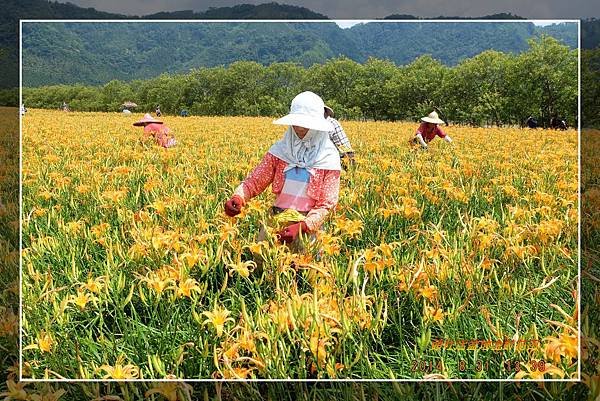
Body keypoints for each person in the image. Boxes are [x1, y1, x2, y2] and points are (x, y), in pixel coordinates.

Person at [223, 91, 341, 248]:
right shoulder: (280, 150)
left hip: (308, 228)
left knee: (303, 269)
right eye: (296, 122)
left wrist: (303, 227)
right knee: (264, 265)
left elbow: (327, 204)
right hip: (276, 220)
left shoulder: (328, 157)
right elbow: (255, 181)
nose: (299, 128)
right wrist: (238, 197)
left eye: (306, 123)